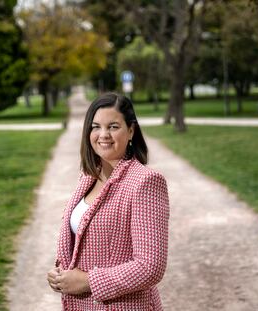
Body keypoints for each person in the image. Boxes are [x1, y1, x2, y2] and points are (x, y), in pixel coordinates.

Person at [47, 92, 170, 310]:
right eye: (96, 127)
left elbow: (151, 266)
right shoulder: (88, 177)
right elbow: (82, 240)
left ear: (130, 130)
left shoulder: (145, 182)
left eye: (113, 126)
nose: (103, 135)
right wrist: (61, 274)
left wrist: (86, 282)